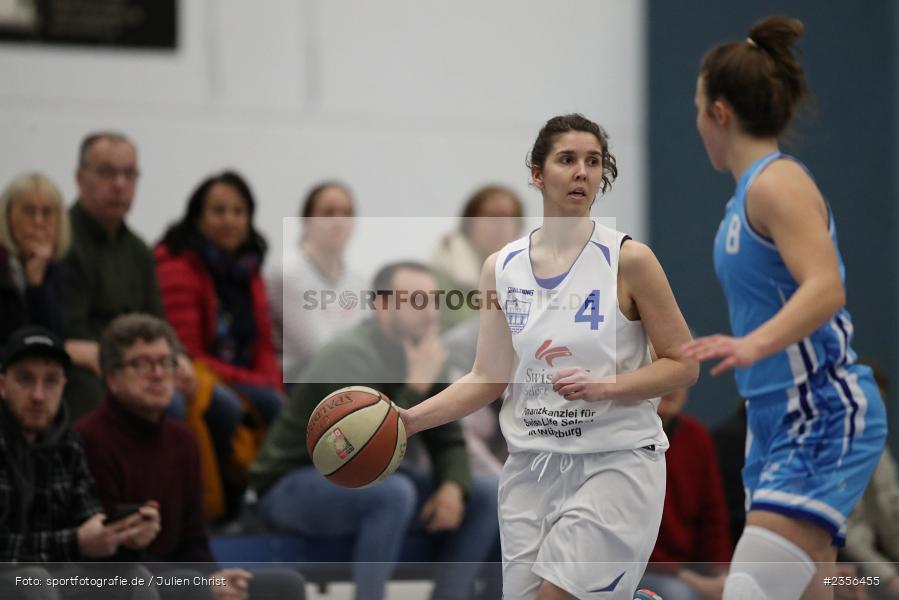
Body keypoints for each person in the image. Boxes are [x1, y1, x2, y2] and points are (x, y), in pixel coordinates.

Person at [401, 113, 699, 600]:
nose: (582, 171)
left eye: (593, 161)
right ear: (538, 174)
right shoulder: (502, 268)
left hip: (615, 463)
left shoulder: (629, 260)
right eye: (567, 159)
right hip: (531, 471)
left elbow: (683, 364)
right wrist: (411, 421)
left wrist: (609, 386)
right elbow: (488, 377)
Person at [683, 16, 888, 600]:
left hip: (820, 409)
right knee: (812, 586)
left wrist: (752, 345)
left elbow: (825, 288)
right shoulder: (744, 197)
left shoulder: (778, 184)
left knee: (751, 589)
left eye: (698, 110)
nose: (697, 124)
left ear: (720, 113)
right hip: (774, 418)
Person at [249, 261, 499, 600]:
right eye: (417, 301)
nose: (431, 314)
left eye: (434, 300)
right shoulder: (350, 353)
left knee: (488, 494)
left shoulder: (423, 355)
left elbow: (449, 439)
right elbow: (363, 444)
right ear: (383, 306)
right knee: (394, 494)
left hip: (367, 478)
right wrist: (415, 385)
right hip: (292, 483)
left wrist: (454, 487)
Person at [75, 314, 305, 600]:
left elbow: (194, 539)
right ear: (112, 378)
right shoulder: (89, 439)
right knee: (190, 584)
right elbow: (108, 553)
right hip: (111, 581)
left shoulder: (183, 439)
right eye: (142, 364)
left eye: (165, 362)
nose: (158, 374)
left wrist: (216, 578)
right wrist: (201, 584)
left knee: (284, 585)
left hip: (181, 579)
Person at [154, 171, 283, 519]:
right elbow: (188, 350)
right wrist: (259, 384)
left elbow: (264, 344)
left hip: (237, 374)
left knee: (282, 402)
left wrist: (269, 380)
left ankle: (255, 508)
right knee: (241, 406)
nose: (230, 220)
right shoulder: (178, 266)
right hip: (195, 371)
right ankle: (225, 510)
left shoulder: (249, 268)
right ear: (198, 216)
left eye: (239, 211)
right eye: (219, 211)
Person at [0, 325, 160, 600]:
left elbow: (88, 522)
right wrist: (76, 542)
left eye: (50, 381)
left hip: (52, 573)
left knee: (136, 577)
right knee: (35, 581)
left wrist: (122, 538)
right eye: (26, 379)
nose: (38, 395)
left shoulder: (69, 443)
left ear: (64, 386)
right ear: (2, 385)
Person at [61, 132, 195, 419]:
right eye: (107, 173)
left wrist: (177, 356)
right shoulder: (63, 241)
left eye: (129, 174)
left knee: (221, 406)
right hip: (92, 366)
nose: (120, 184)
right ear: (80, 178)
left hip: (141, 362)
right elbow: (73, 333)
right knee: (170, 405)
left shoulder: (139, 249)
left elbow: (157, 320)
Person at [267, 181, 367, 382]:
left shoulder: (358, 280)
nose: (339, 221)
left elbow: (368, 343)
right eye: (328, 212)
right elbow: (319, 351)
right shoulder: (288, 273)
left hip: (349, 378)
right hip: (301, 382)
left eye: (347, 213)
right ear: (307, 220)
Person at [639, 386, 731, 600]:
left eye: (679, 379)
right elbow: (627, 537)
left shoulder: (697, 437)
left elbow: (713, 518)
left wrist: (721, 574)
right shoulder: (625, 438)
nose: (672, 387)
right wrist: (690, 580)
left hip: (684, 570)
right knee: (680, 594)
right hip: (638, 568)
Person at [430, 185, 523, 330]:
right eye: (492, 216)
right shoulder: (443, 270)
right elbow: (467, 325)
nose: (501, 226)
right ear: (469, 223)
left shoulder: (525, 273)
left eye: (510, 217)